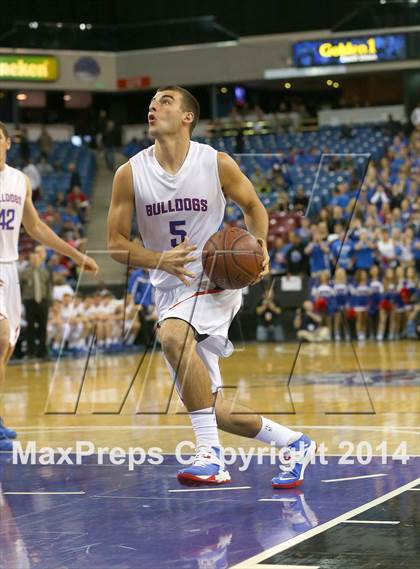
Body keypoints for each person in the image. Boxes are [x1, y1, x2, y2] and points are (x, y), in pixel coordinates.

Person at [107, 86, 316, 489]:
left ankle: (211, 456)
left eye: (165, 101)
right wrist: (157, 260)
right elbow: (115, 243)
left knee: (171, 334)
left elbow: (254, 207)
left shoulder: (215, 163)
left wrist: (260, 246)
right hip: (169, 287)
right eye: (152, 103)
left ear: (188, 117)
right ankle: (294, 443)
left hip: (215, 277)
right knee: (210, 404)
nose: (154, 106)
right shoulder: (129, 173)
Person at [0, 121, 98, 451]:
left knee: (6, 348)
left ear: (7, 142)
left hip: (11, 268)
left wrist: (74, 255)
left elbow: (36, 227)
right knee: (0, 339)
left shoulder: (20, 180)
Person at [19, 251, 52, 359]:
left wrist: (48, 300)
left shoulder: (45, 272)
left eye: (36, 259)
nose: (35, 261)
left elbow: (49, 287)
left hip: (43, 301)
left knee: (43, 327)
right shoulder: (24, 272)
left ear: (40, 260)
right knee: (30, 328)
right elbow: (21, 287)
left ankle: (43, 352)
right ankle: (30, 352)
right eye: (32, 259)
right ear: (30, 260)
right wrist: (22, 299)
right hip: (30, 301)